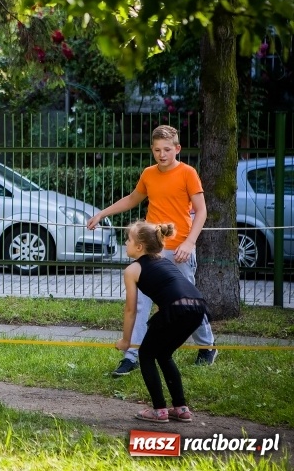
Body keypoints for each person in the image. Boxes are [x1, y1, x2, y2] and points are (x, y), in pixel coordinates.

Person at [87, 124, 217, 376]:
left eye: (167, 149)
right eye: (157, 149)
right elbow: (133, 199)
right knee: (140, 303)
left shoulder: (188, 173)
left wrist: (189, 243)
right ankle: (132, 354)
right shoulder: (148, 174)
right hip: (151, 249)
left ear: (177, 149)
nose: (162, 154)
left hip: (179, 249)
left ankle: (207, 346)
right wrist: (102, 213)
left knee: (186, 302)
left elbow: (201, 211)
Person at [118, 220, 208, 423]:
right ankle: (181, 408)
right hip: (198, 307)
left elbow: (131, 310)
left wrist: (125, 341)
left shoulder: (132, 270)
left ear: (139, 246)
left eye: (128, 240)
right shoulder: (164, 262)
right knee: (164, 354)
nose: (126, 243)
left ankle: (159, 410)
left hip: (177, 308)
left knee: (146, 354)